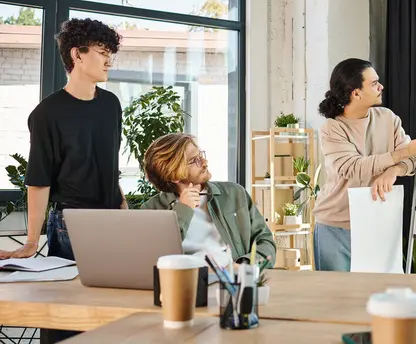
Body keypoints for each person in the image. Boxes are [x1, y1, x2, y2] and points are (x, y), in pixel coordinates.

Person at [0, 18, 127, 342]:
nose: (109, 59)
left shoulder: (111, 105)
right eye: (102, 51)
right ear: (78, 55)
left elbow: (109, 170)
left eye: (110, 52)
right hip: (71, 224)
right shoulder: (47, 114)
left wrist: (127, 216)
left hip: (113, 221)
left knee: (111, 314)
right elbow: (39, 180)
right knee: (68, 316)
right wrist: (31, 241)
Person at [312, 58, 416, 272]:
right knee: (337, 299)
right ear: (356, 93)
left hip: (376, 220)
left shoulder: (387, 118)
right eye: (374, 83)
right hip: (335, 225)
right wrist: (405, 152)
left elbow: (413, 159)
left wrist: (393, 171)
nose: (381, 86)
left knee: (377, 294)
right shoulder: (333, 128)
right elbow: (352, 168)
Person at [141, 133, 276, 268]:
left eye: (201, 155)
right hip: (185, 281)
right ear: (174, 174)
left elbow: (265, 242)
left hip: (232, 280)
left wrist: (243, 265)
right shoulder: (152, 210)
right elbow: (151, 258)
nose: (205, 163)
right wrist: (183, 209)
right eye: (194, 160)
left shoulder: (234, 193)